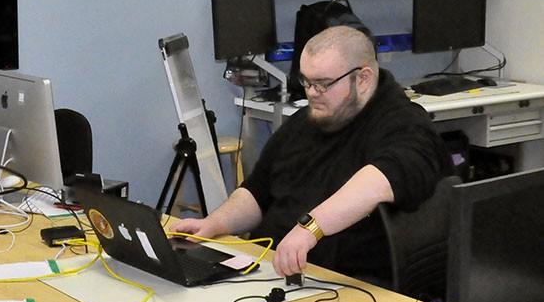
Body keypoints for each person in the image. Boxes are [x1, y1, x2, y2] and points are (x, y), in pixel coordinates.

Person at [172, 25, 451, 282]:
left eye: (323, 84)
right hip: (270, 269)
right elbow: (258, 192)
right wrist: (214, 223)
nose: (312, 93)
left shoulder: (406, 125)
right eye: (306, 82)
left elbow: (382, 178)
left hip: (339, 282)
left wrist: (310, 229)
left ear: (363, 78)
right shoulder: (307, 120)